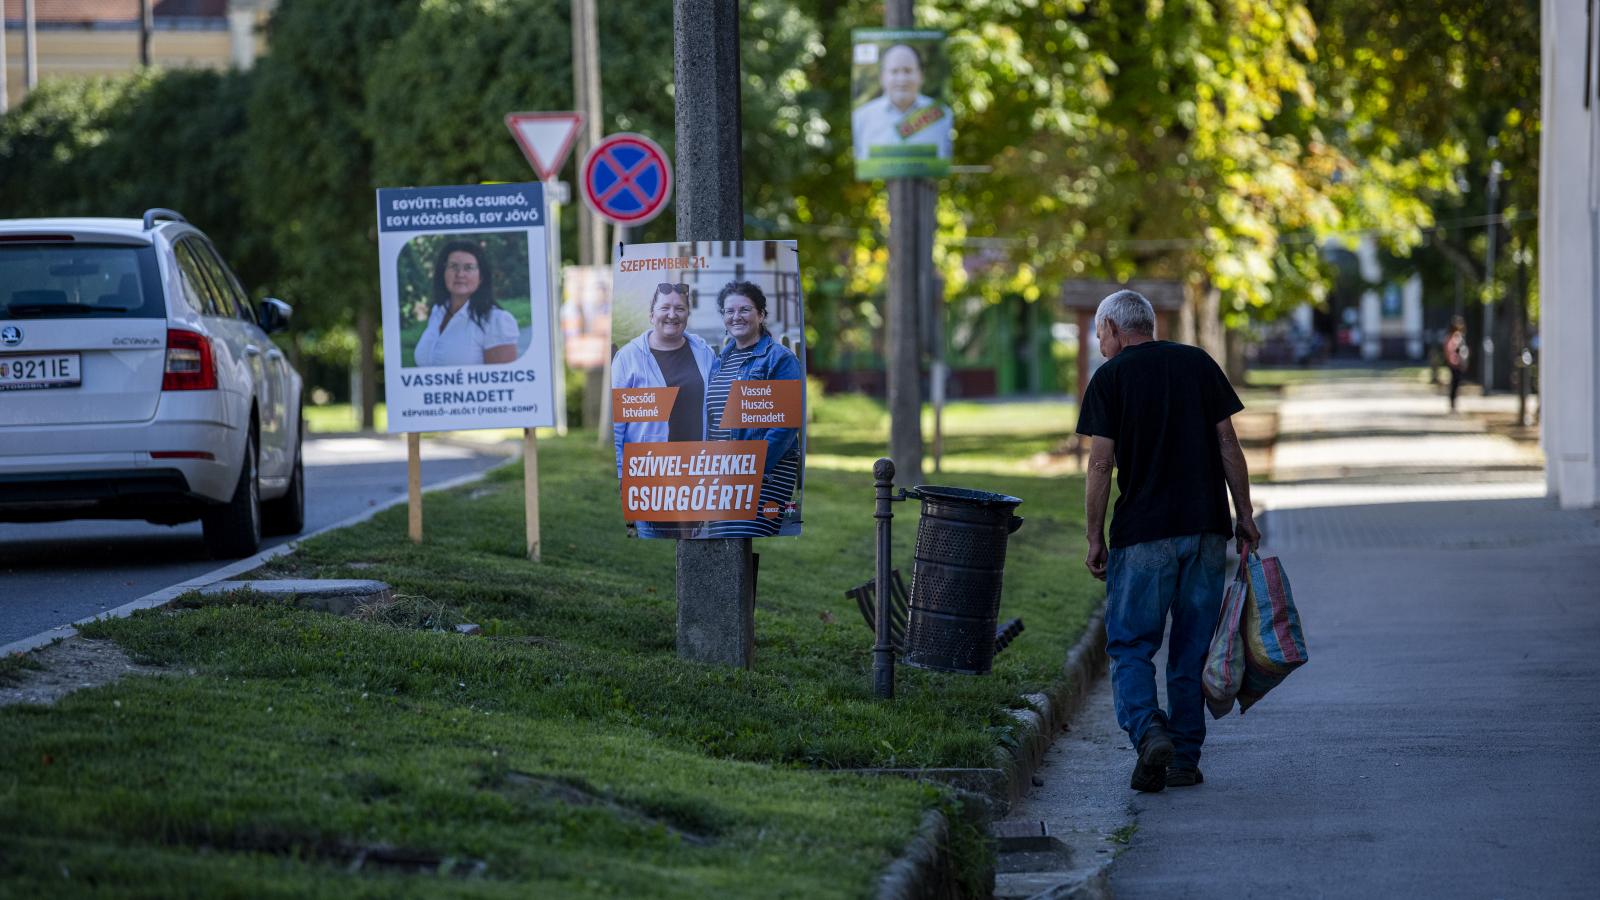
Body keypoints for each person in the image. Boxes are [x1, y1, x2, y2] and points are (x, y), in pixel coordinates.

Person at [1076, 290, 1260, 793]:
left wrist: (1094, 536)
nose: (1100, 344)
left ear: (1114, 328)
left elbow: (1099, 464)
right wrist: (1243, 513)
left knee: (1132, 644)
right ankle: (1183, 759)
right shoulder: (1197, 364)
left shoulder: (1110, 379)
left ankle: (1148, 729)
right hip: (1204, 529)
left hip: (1142, 535)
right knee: (1190, 648)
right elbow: (1228, 443)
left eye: (1100, 335)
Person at [611, 282, 717, 538]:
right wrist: (622, 478)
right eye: (665, 307)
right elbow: (617, 426)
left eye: (680, 308)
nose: (672, 314)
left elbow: (715, 409)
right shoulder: (628, 358)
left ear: (687, 315)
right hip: (650, 479)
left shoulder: (704, 352)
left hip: (695, 476)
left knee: (693, 545)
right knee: (654, 544)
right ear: (652, 315)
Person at [705, 281, 803, 538]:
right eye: (729, 311)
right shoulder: (720, 362)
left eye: (745, 310)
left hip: (762, 475)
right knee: (721, 545)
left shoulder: (780, 359)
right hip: (722, 474)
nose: (736, 316)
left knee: (742, 539)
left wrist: (751, 467)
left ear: (761, 314)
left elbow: (786, 423)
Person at [412, 241, 519, 366]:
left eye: (468, 268)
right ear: (443, 273)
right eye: (453, 266)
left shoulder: (496, 321)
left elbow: (502, 383)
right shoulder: (437, 312)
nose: (460, 274)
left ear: (481, 277)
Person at [851, 43, 954, 162]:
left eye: (908, 70)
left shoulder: (943, 115)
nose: (902, 79)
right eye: (894, 71)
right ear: (882, 77)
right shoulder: (861, 118)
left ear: (921, 75)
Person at [1443, 317, 1468, 412]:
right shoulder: (1452, 338)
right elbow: (1449, 350)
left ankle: (1454, 402)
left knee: (1456, 383)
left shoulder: (1458, 337)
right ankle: (1453, 403)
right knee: (1454, 383)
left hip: (1458, 363)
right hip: (1454, 363)